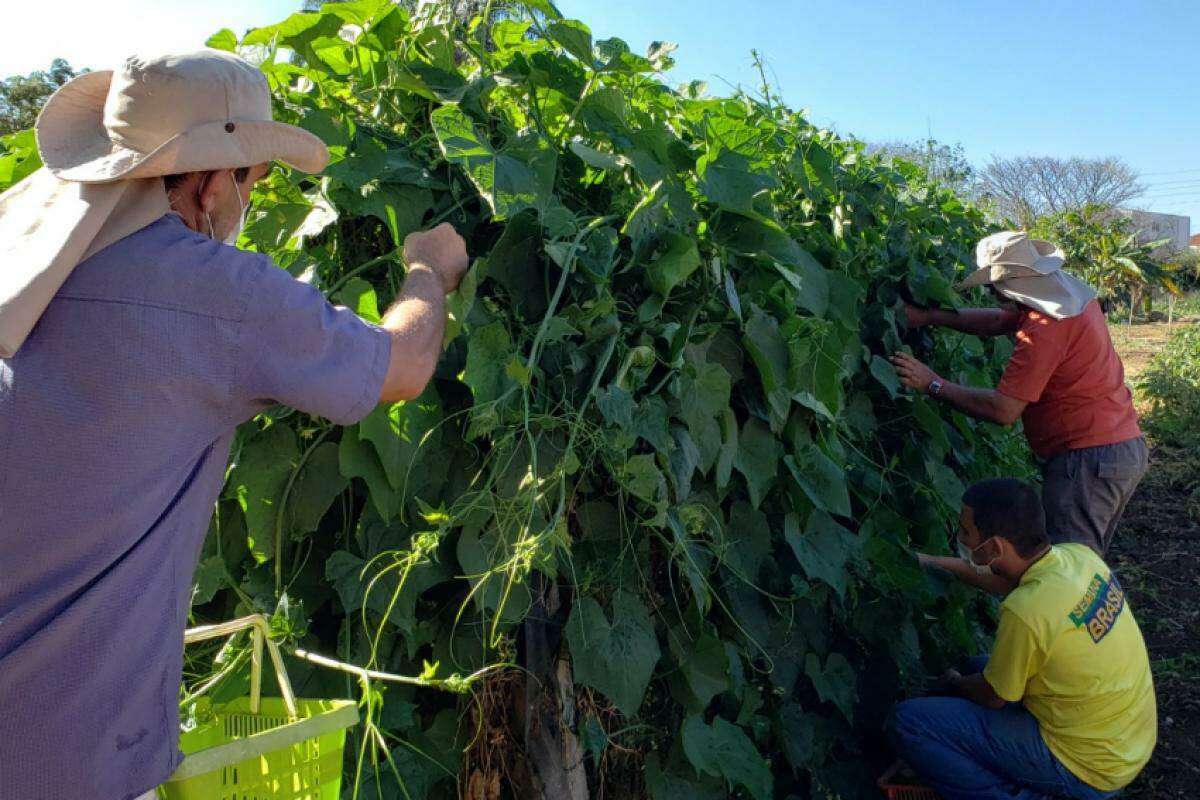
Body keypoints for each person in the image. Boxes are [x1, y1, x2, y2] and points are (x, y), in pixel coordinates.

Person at [0, 51, 468, 800]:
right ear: (211, 182)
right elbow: (403, 365)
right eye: (254, 178)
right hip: (62, 759)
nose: (252, 197)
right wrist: (427, 270)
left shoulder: (23, 260)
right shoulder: (217, 295)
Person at [889, 479, 1157, 800]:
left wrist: (956, 683)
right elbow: (998, 581)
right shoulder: (1077, 557)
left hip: (1087, 769)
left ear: (996, 547)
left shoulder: (1025, 611)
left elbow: (992, 697)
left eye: (965, 532)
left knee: (909, 722)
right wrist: (927, 562)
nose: (959, 538)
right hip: (1123, 742)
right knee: (976, 665)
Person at [889, 231, 1147, 556]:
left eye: (992, 285)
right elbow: (1000, 320)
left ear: (1008, 284)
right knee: (1085, 565)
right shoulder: (1068, 297)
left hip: (1088, 460)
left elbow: (1004, 410)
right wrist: (930, 317)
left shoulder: (1046, 326)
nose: (989, 291)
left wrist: (932, 383)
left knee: (1068, 573)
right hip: (1117, 449)